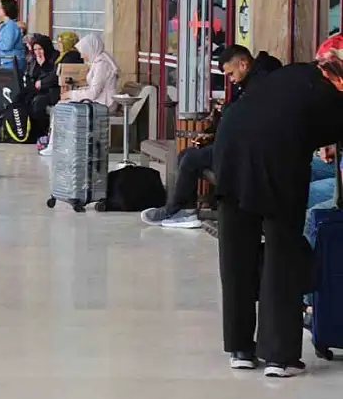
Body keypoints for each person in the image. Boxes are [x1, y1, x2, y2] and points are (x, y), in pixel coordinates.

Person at [211, 35, 343, 377]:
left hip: (230, 148)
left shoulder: (295, 73)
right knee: (281, 253)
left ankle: (241, 348)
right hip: (275, 161)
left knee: (236, 253)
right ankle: (279, 356)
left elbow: (294, 115)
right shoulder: (337, 95)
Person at [141, 45, 282, 229]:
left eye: (231, 74)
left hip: (246, 152)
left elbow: (244, 118)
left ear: (243, 64)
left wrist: (225, 112)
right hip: (236, 145)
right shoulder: (249, 82)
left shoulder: (259, 85)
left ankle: (175, 209)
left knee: (190, 159)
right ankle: (186, 210)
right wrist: (212, 130)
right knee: (186, 155)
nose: (230, 80)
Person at [39, 34, 120, 157]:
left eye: (84, 52)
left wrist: (70, 94)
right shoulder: (97, 62)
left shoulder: (102, 65)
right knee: (61, 106)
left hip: (104, 103)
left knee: (62, 108)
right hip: (99, 100)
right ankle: (56, 145)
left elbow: (93, 93)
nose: (82, 56)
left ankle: (55, 146)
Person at [18, 34, 60, 137]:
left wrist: (44, 65)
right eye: (35, 49)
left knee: (38, 102)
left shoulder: (55, 58)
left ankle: (41, 132)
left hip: (51, 90)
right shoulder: (33, 59)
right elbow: (31, 75)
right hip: (37, 89)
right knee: (20, 98)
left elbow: (53, 78)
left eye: (40, 49)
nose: (38, 52)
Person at [0, 0, 25, 69]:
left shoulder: (11, 26)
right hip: (7, 61)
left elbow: (7, 45)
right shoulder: (5, 25)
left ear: (6, 9)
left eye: (1, 7)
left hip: (12, 62)